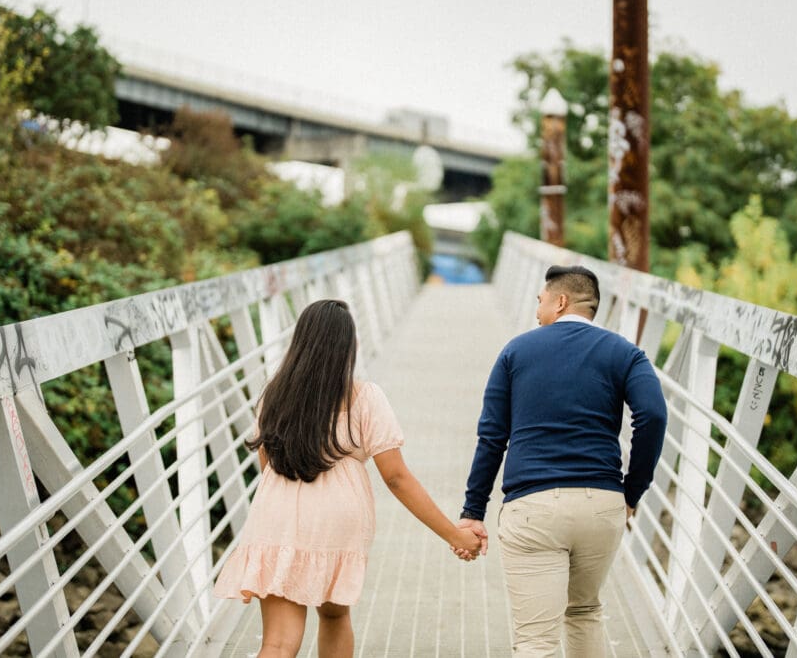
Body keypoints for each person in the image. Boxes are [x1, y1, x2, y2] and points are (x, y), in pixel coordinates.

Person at [214, 299, 481, 658]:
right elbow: (396, 477)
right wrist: (453, 534)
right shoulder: (364, 397)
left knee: (277, 643)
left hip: (276, 517)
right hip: (335, 523)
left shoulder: (274, 394)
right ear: (347, 346)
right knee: (334, 615)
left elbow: (267, 462)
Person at [454, 265, 667, 657]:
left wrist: (473, 511)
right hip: (601, 505)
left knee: (536, 642)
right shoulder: (625, 352)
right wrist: (631, 492)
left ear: (561, 301)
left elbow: (492, 436)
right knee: (585, 611)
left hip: (533, 507)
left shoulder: (516, 351)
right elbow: (653, 416)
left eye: (541, 302)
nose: (537, 312)